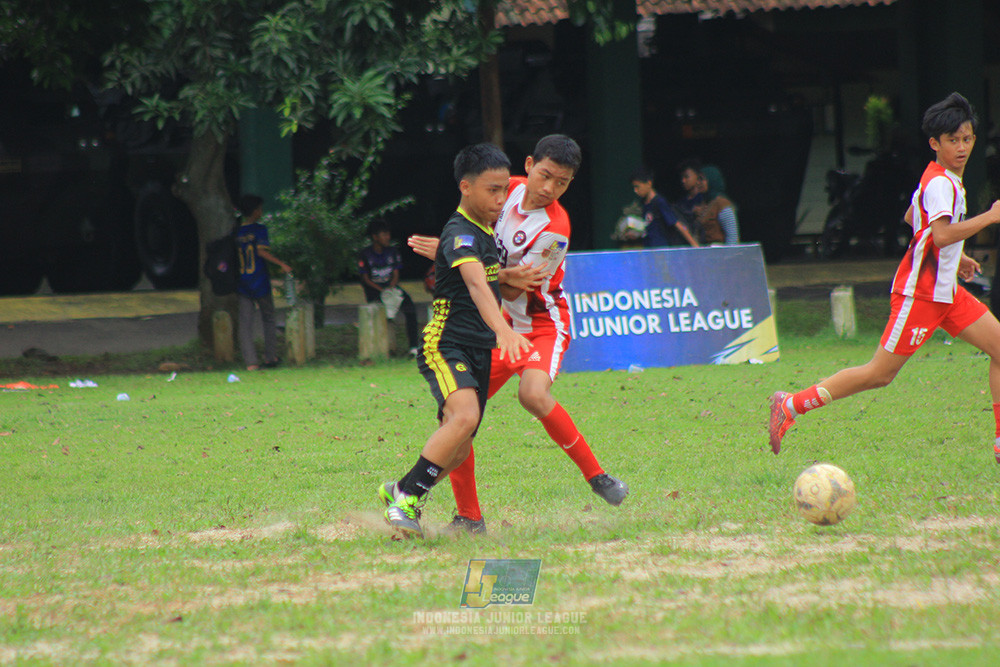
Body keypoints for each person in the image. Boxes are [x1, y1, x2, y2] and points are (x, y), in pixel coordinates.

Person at [409, 134, 630, 534]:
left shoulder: (555, 230)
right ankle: (468, 517)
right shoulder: (501, 189)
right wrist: (453, 253)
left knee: (532, 394)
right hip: (500, 326)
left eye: (562, 183)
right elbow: (469, 243)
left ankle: (597, 476)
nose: (549, 188)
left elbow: (513, 289)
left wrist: (463, 260)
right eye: (545, 175)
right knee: (456, 419)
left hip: (542, 323)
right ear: (528, 165)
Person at [768, 92, 1000, 462]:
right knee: (879, 374)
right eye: (953, 140)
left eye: (967, 139)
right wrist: (988, 217)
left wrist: (955, 259)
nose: (962, 147)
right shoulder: (941, 183)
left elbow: (914, 218)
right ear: (934, 143)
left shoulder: (942, 179)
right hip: (920, 295)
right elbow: (940, 234)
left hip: (947, 293)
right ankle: (790, 405)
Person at [378, 143, 532, 538]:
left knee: (461, 445)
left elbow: (489, 276)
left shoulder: (483, 230)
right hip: (447, 343)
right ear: (465, 187)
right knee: (463, 418)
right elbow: (477, 285)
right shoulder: (461, 232)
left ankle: (400, 488)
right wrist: (504, 330)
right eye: (492, 190)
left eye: (504, 190)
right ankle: (406, 502)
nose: (500, 199)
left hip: (478, 348)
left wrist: (512, 278)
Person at [235, 194, 292, 371]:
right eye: (260, 208)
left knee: (245, 323)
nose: (261, 211)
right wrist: (281, 264)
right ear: (255, 211)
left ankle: (251, 362)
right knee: (268, 317)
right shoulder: (259, 230)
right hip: (259, 280)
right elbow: (261, 252)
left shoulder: (235, 232)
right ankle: (270, 356)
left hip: (241, 282)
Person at [358, 220, 420, 357]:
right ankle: (382, 350)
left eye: (388, 234)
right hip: (375, 290)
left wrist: (391, 288)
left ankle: (414, 347)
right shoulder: (365, 254)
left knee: (410, 308)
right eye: (384, 234)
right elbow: (366, 279)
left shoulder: (392, 252)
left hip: (391, 288)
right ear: (375, 237)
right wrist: (381, 290)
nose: (387, 237)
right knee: (380, 314)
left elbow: (396, 274)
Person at [630, 167, 699, 248]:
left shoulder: (660, 202)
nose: (635, 190)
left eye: (637, 187)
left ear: (649, 183)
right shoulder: (643, 204)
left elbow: (677, 225)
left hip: (661, 249)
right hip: (649, 249)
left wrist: (695, 246)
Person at [694, 164, 740, 245]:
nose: (698, 183)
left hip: (720, 251)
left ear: (711, 180)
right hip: (707, 250)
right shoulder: (706, 203)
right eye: (697, 179)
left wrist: (728, 253)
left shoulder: (722, 204)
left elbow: (732, 237)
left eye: (701, 179)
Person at [675, 158, 705, 229]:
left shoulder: (704, 198)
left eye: (686, 177)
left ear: (698, 176)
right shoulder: (681, 202)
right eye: (682, 177)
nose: (683, 181)